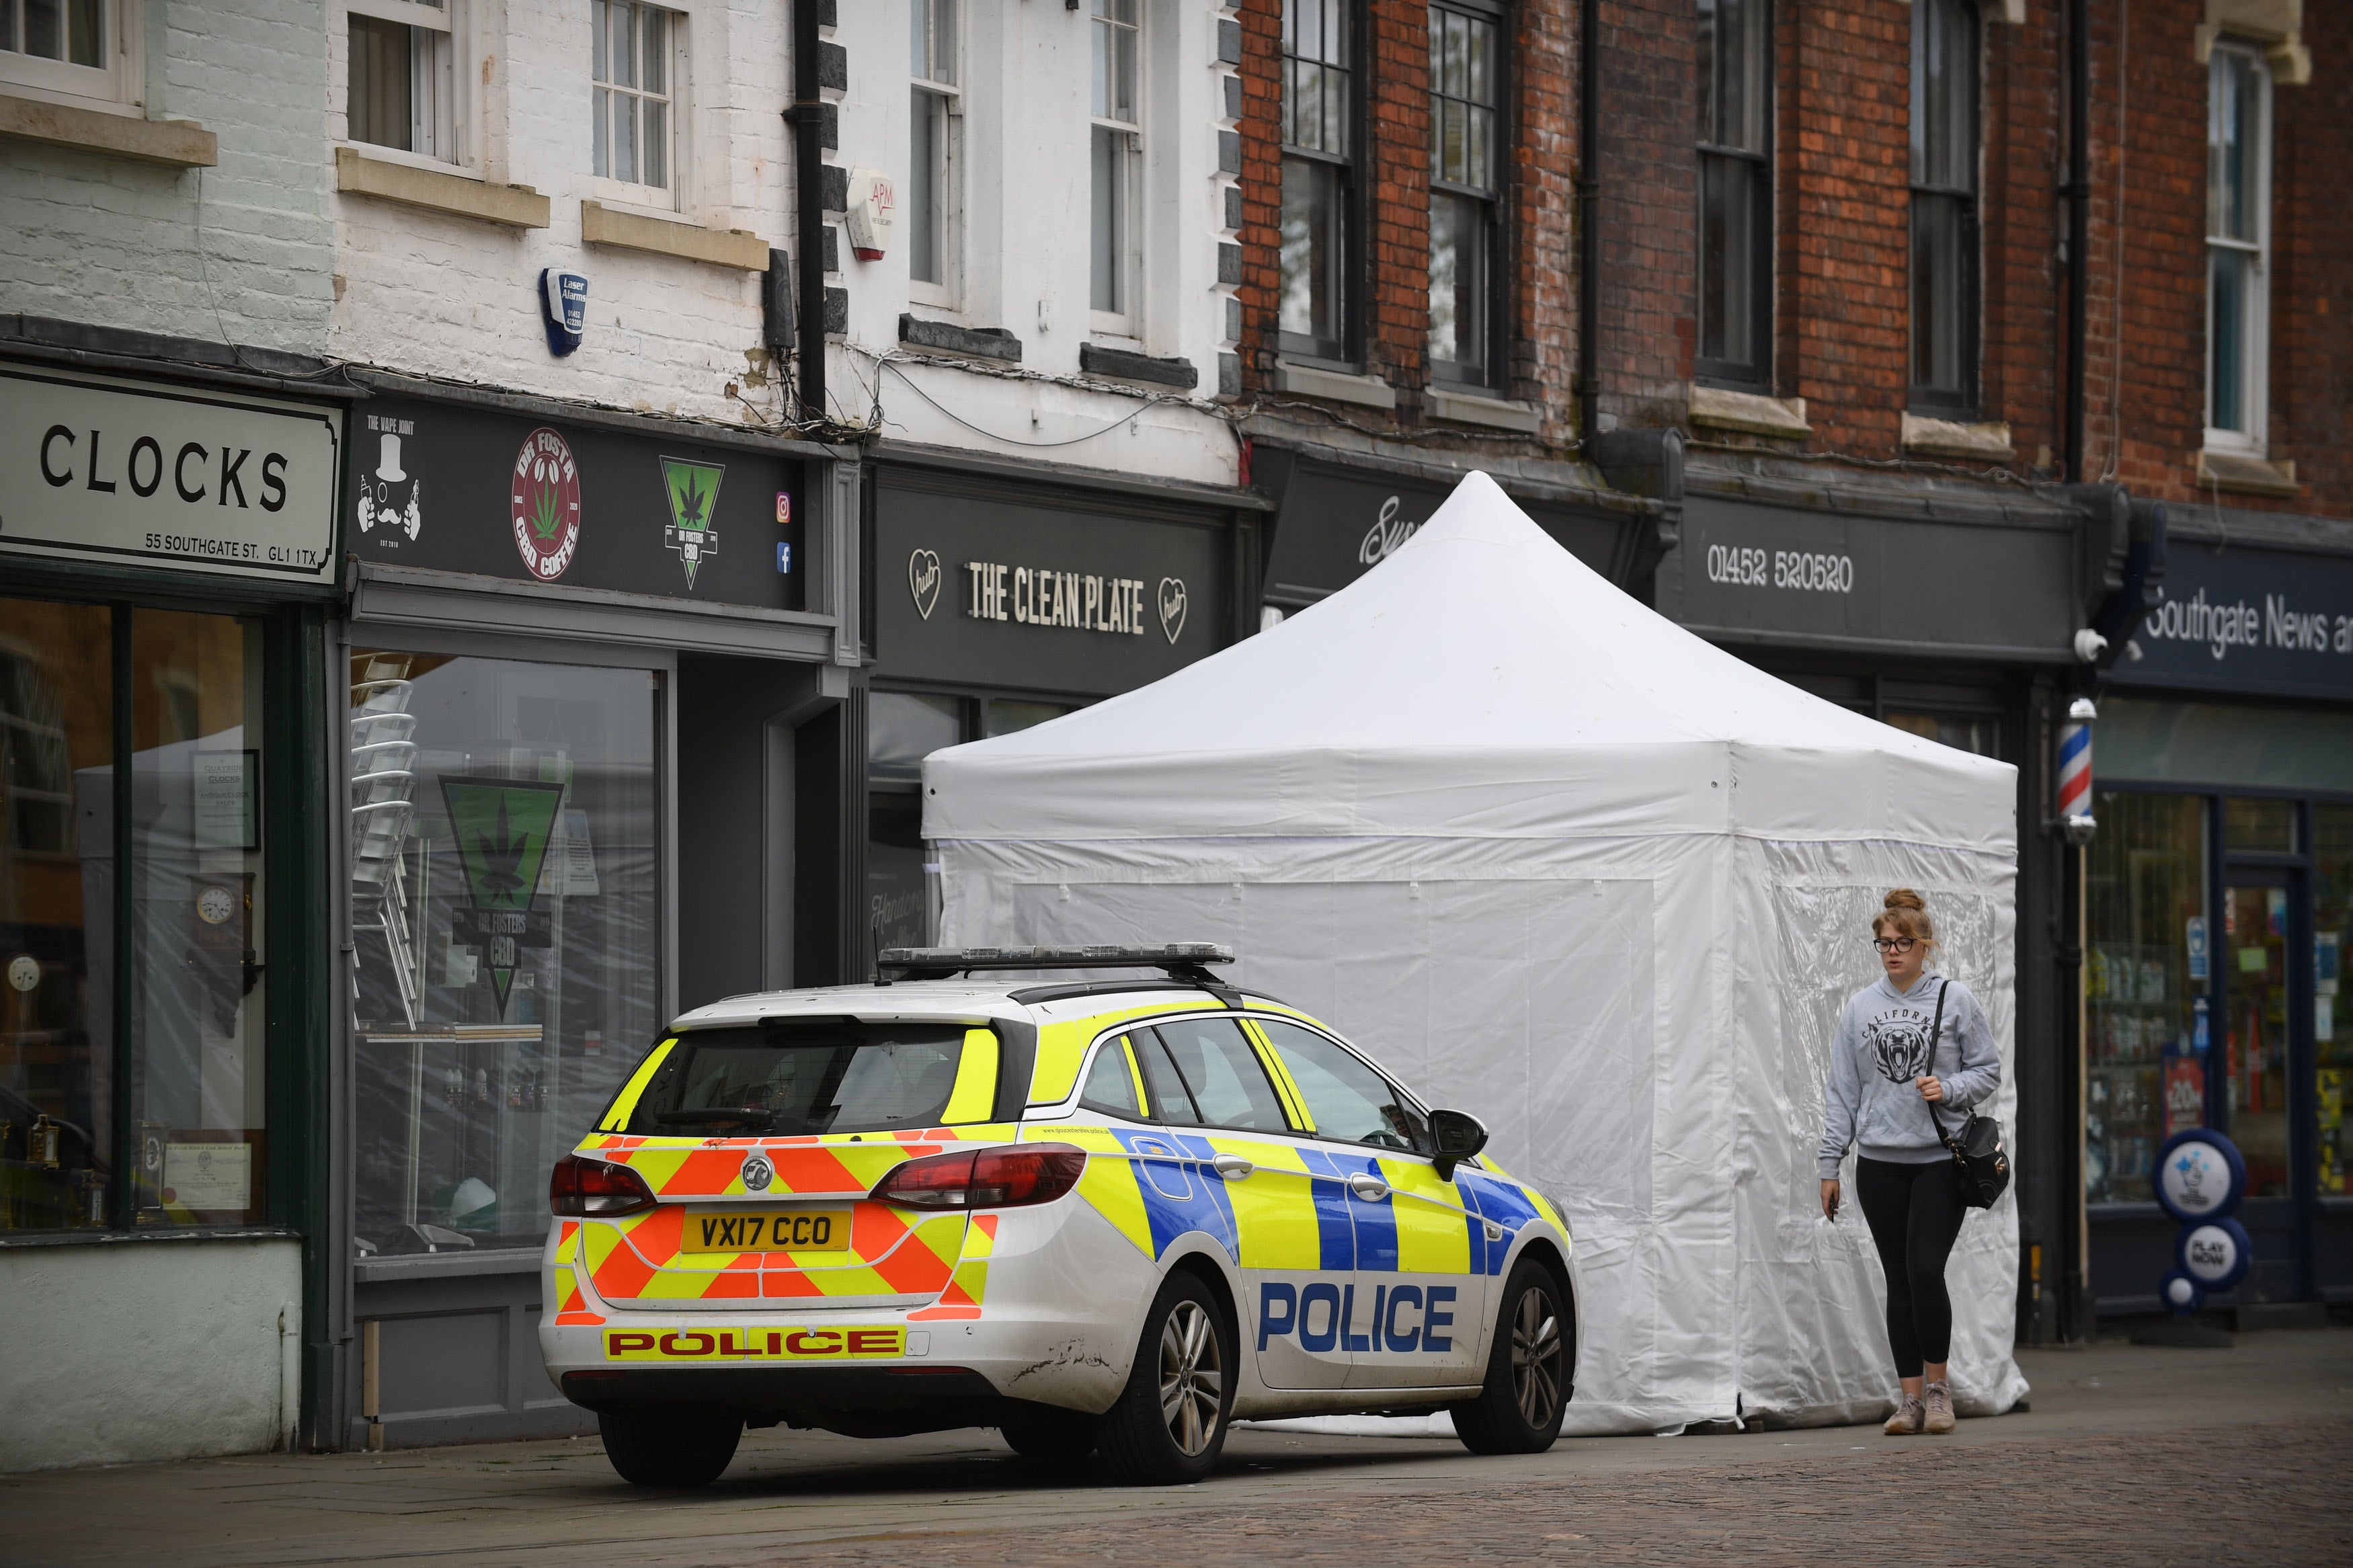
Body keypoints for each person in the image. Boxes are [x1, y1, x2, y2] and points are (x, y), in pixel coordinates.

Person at [1818, 888, 2000, 1436]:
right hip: (1877, 1163)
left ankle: (1941, 1390)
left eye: (1902, 943)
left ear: (1925, 945)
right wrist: (1830, 1164)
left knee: (1925, 1268)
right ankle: (1910, 1399)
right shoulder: (1860, 1007)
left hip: (1939, 1160)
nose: (1892, 952)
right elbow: (1841, 1090)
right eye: (1883, 943)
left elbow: (1988, 1071)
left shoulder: (1955, 999)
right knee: (1897, 1278)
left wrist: (1948, 1087)